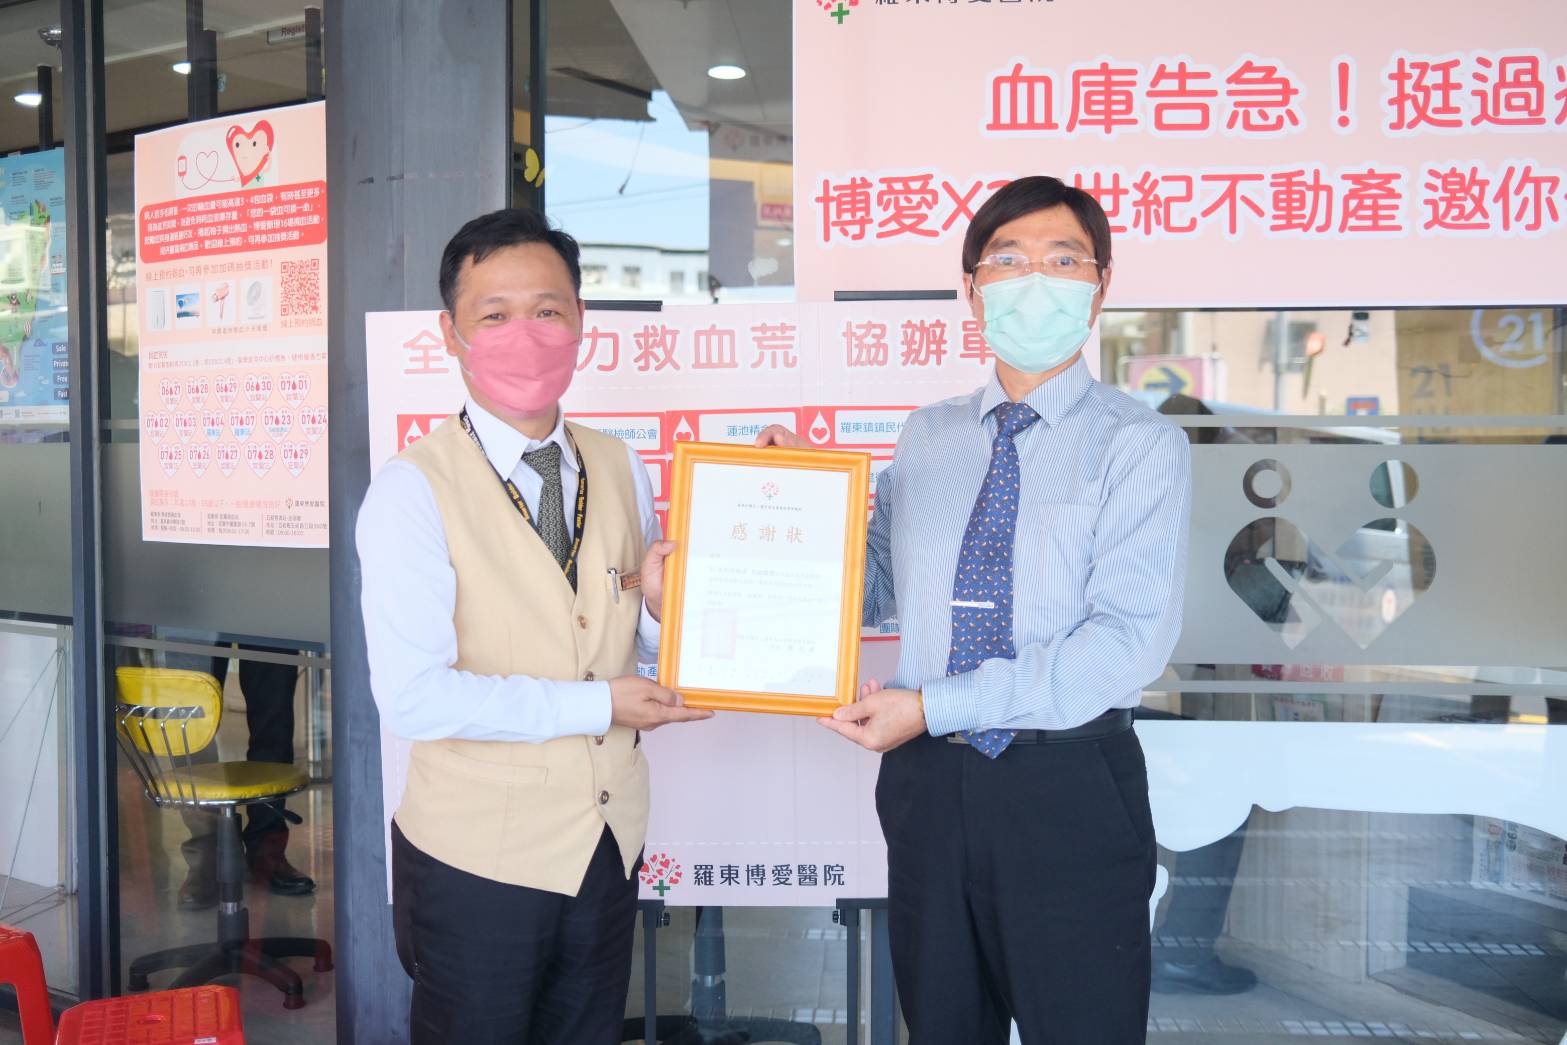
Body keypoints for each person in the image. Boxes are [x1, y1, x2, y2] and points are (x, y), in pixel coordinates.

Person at [758, 176, 1191, 1042]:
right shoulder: (928, 436)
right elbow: (874, 590)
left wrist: (933, 705)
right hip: (928, 786)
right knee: (943, 1024)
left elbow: (1126, 641)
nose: (1034, 280)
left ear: (1100, 285)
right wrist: (802, 502)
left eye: (1062, 260)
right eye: (1007, 260)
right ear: (971, 288)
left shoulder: (1139, 443)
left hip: (1066, 781)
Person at [357, 207, 712, 1043]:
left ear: (581, 321)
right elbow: (413, 697)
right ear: (450, 333)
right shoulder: (412, 490)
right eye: (495, 314)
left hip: (606, 843)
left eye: (548, 310)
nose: (526, 333)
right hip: (477, 858)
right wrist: (599, 704)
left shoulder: (619, 464)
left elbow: (629, 637)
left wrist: (659, 616)